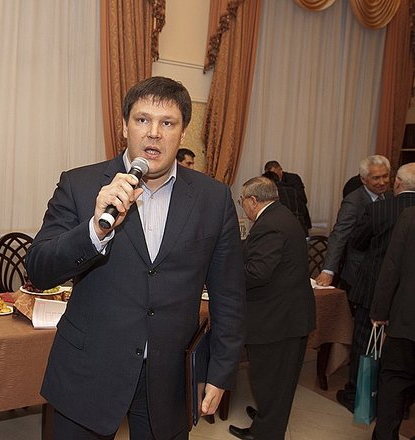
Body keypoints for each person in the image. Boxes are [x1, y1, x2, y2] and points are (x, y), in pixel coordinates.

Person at [26, 76, 245, 439]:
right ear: (124, 126)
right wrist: (94, 230)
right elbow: (39, 269)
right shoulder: (80, 184)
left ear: (183, 132)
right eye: (143, 120)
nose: (154, 133)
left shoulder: (214, 198)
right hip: (88, 371)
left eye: (168, 123)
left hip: (170, 378)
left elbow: (229, 296)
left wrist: (221, 371)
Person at [230, 177, 315, 440]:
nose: (242, 206)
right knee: (276, 381)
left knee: (270, 381)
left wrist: (224, 276)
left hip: (277, 320)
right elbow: (254, 252)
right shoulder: (279, 216)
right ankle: (268, 417)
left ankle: (265, 433)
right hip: (285, 316)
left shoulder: (270, 225)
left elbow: (257, 272)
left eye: (242, 201)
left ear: (253, 200)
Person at [314, 154, 391, 412]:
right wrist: (328, 270)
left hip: (383, 277)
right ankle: (357, 388)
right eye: (376, 178)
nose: (382, 182)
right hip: (358, 277)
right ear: (363, 179)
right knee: (358, 333)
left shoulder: (389, 199)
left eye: (385, 177)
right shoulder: (354, 200)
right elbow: (339, 235)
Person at [370, 206, 415, 440]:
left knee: (393, 384)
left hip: (406, 321)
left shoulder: (410, 217)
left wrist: (380, 311)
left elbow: (391, 268)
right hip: (405, 322)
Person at [264, 160, 312, 232]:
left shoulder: (293, 178)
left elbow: (303, 199)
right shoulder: (268, 184)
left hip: (297, 218)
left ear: (280, 169)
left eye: (274, 173)